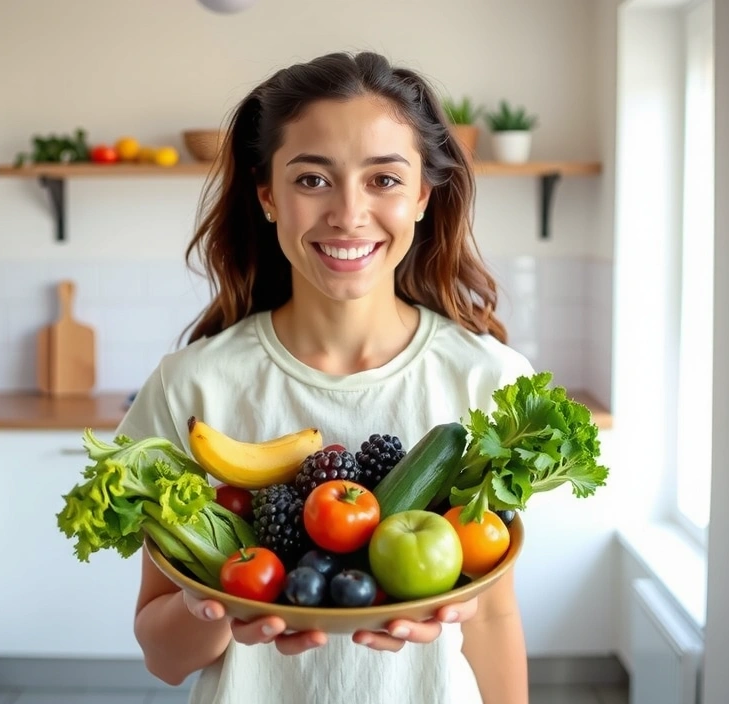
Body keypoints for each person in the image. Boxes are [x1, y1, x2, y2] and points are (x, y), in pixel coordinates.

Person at [117, 50, 533, 704]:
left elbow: (495, 615)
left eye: (384, 180)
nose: (348, 213)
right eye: (312, 180)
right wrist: (224, 607)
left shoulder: (488, 381)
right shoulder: (192, 390)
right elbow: (164, 658)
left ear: (423, 196)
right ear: (267, 196)